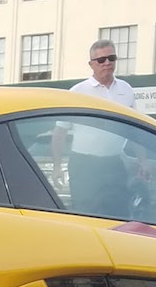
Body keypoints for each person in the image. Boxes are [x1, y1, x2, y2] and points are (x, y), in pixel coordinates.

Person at [51, 40, 141, 219]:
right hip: (84, 165)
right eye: (101, 60)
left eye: (111, 58)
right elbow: (59, 133)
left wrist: (143, 161)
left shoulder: (126, 90)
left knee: (118, 215)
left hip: (114, 163)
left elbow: (135, 129)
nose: (107, 63)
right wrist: (57, 166)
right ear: (91, 64)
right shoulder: (77, 92)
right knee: (87, 215)